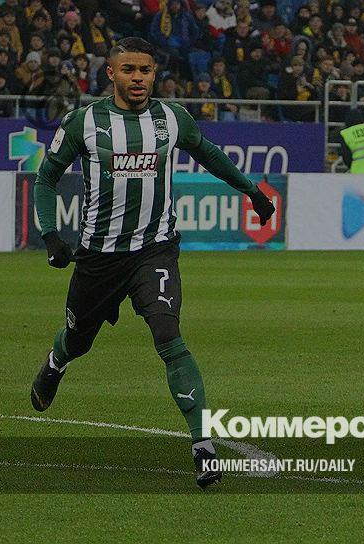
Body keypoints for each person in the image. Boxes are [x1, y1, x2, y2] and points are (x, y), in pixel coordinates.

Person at [29, 37, 275, 490]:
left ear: (154, 73)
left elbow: (209, 153)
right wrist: (50, 235)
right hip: (99, 257)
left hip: (154, 250)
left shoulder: (171, 118)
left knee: (168, 334)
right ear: (111, 73)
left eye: (145, 70)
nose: (138, 78)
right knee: (79, 340)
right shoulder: (84, 122)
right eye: (129, 70)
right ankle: (55, 362)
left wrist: (252, 191)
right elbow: (46, 179)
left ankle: (203, 446)